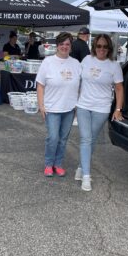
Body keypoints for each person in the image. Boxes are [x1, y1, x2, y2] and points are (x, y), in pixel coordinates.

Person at [75, 34, 124, 192]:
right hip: (83, 105)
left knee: (91, 140)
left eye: (105, 46)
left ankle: (81, 167)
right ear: (94, 47)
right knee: (86, 138)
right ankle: (86, 176)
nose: (102, 49)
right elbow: (77, 80)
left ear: (109, 48)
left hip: (102, 108)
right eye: (99, 46)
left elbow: (119, 89)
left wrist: (118, 109)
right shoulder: (86, 60)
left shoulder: (114, 66)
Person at [36, 32, 81, 177]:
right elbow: (40, 85)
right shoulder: (48, 62)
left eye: (67, 44)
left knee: (63, 139)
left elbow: (80, 85)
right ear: (57, 46)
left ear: (71, 46)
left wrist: (78, 104)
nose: (64, 47)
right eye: (61, 44)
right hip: (52, 108)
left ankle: (58, 164)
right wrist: (41, 105)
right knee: (53, 138)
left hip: (69, 108)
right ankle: (49, 164)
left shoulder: (76, 63)